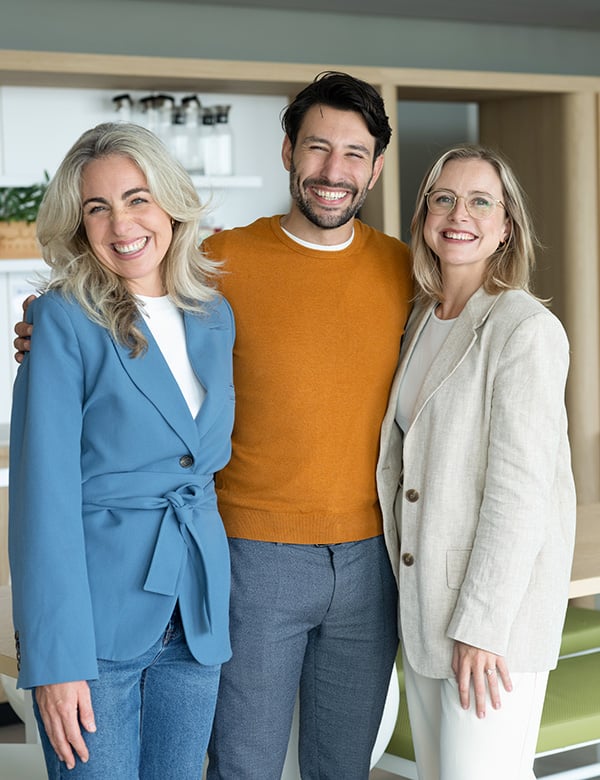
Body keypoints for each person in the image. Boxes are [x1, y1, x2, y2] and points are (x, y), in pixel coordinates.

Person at [14, 72, 413, 779]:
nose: (333, 170)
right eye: (317, 147)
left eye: (354, 154)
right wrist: (45, 333)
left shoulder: (228, 301)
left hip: (257, 591)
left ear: (376, 167)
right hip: (182, 584)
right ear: (288, 151)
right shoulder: (197, 274)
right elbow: (41, 500)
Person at [9, 122, 235, 779]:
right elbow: (41, 503)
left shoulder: (213, 316)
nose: (121, 224)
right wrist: (54, 661)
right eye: (97, 208)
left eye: (137, 198)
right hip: (96, 631)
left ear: (169, 203)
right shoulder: (62, 321)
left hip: (194, 616)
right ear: (78, 226)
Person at [376, 144, 576, 780]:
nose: (459, 214)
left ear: (505, 224)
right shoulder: (417, 320)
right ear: (425, 216)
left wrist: (483, 627)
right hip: (426, 609)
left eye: (480, 201)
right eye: (444, 198)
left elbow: (521, 494)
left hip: (490, 628)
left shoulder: (523, 329)